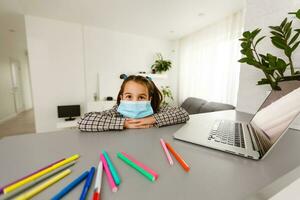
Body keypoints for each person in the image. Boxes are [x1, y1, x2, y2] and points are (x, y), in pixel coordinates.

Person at [78, 75, 189, 132]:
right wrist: (124, 123)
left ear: (149, 99)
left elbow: (183, 113)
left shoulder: (156, 110)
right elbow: (83, 120)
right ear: (121, 98)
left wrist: (152, 119)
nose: (135, 102)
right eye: (129, 96)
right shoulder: (116, 111)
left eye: (141, 97)